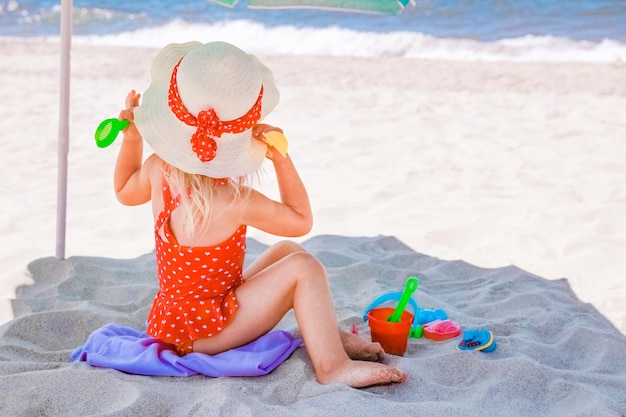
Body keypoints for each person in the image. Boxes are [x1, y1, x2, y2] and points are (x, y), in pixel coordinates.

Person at [113, 41, 407, 388]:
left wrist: (132, 140)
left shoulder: (157, 169)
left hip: (174, 322)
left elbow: (124, 191)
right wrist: (282, 159)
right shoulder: (235, 199)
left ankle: (328, 333)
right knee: (305, 268)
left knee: (288, 252)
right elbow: (300, 220)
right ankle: (332, 367)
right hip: (210, 332)